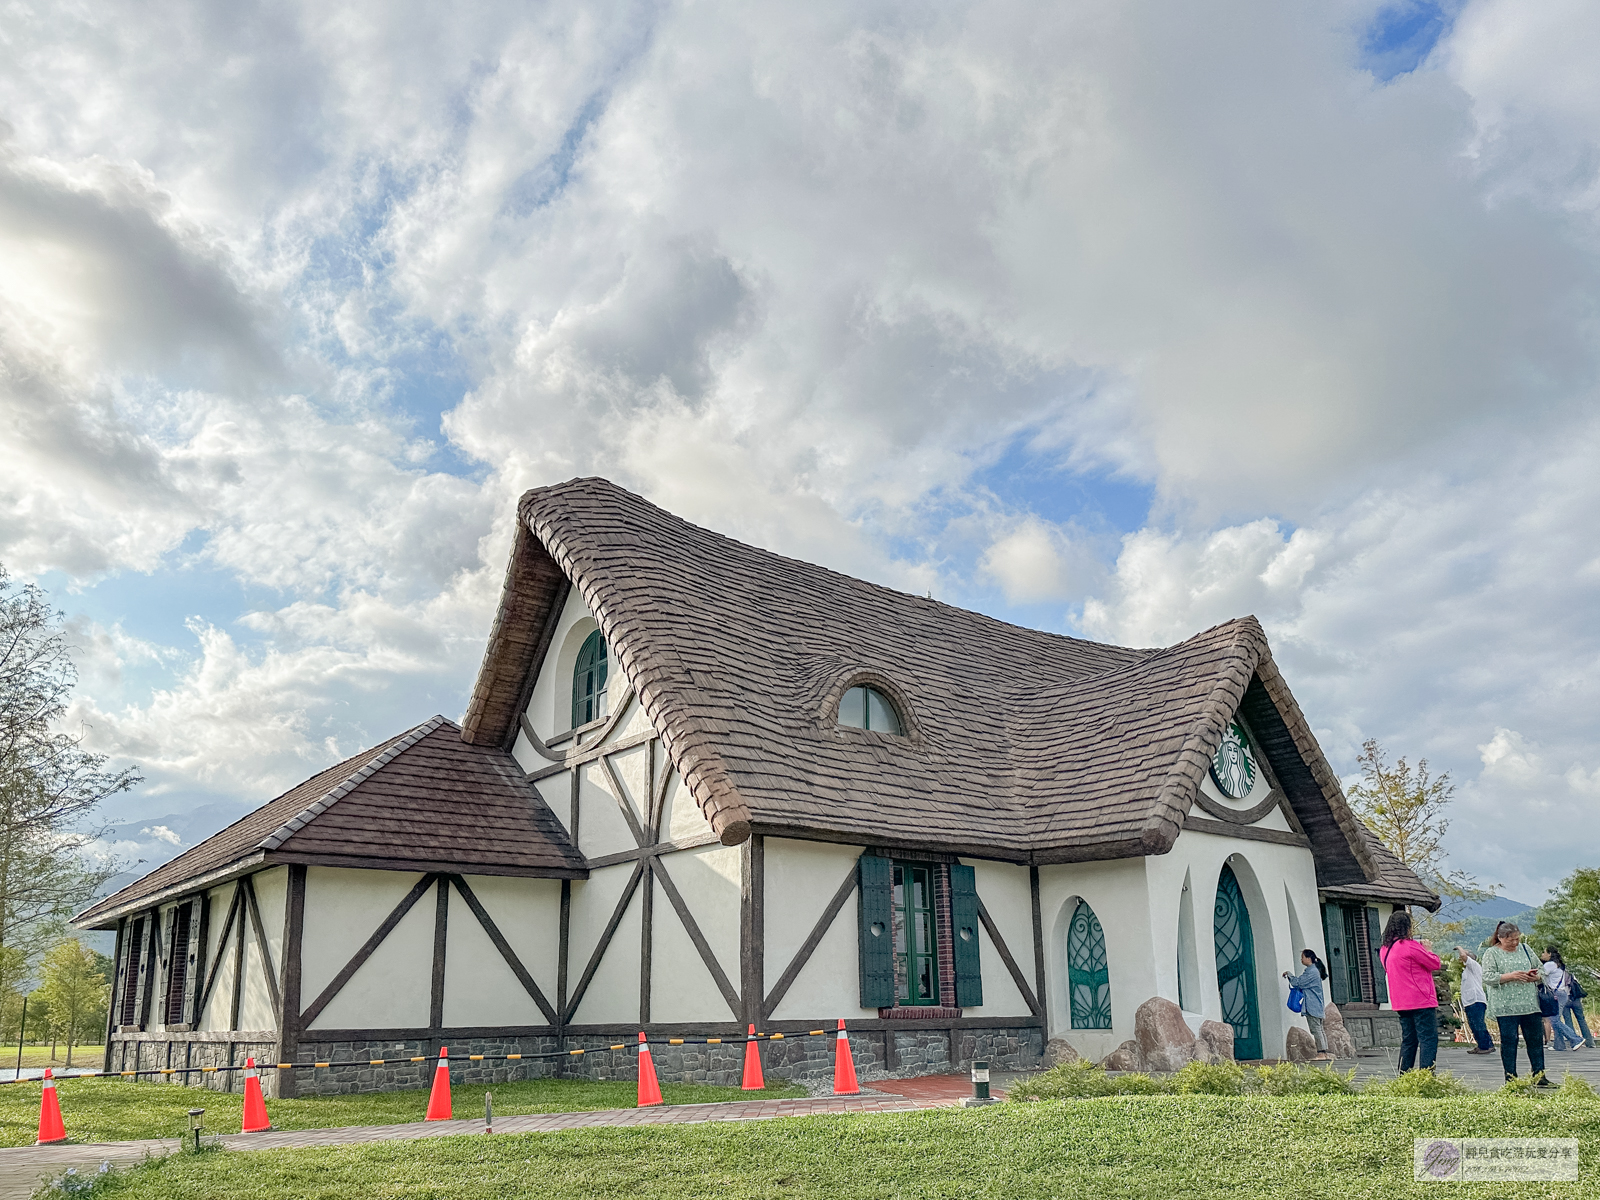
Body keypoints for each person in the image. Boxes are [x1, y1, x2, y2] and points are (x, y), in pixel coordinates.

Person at [1481, 920, 1551, 1085]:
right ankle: (1511, 1078)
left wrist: (1536, 976)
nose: (1514, 943)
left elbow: (1541, 969)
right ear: (1500, 938)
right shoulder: (1491, 953)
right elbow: (1488, 977)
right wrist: (1510, 976)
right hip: (1505, 1006)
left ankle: (1539, 1075)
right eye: (1510, 940)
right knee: (1509, 1041)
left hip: (1529, 1004)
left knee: (1535, 1040)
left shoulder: (1526, 949)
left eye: (1517, 939)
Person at [1378, 910, 1442, 1072]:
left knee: (1409, 1039)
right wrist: (1428, 949)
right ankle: (1426, 1075)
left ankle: (1404, 1073)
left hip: (1400, 1001)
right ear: (1407, 927)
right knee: (1428, 1038)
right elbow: (1434, 964)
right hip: (1420, 998)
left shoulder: (1385, 949)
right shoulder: (1410, 946)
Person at [1283, 949, 1329, 1052]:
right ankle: (1324, 1052)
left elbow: (1298, 983)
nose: (1301, 960)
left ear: (1308, 958)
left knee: (1316, 1029)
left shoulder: (1312, 972)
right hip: (1316, 1005)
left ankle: (1321, 1053)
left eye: (1302, 957)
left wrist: (1289, 974)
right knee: (1319, 1029)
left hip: (1312, 1005)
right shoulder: (1315, 970)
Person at [1541, 947, 1586, 1052]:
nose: (1542, 954)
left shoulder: (1549, 965)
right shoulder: (1558, 965)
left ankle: (1576, 1039)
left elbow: (1539, 975)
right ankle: (1559, 1045)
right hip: (1561, 994)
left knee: (1555, 1020)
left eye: (1544, 952)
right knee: (1555, 1019)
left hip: (1556, 995)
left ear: (1550, 954)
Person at [1455, 946, 1494, 1054]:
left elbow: (1463, 955)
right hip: (1469, 1001)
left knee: (1478, 1024)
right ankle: (1482, 1044)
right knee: (1473, 1025)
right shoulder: (1467, 970)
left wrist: (1459, 948)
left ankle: (1486, 1046)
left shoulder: (1474, 966)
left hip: (1476, 1000)